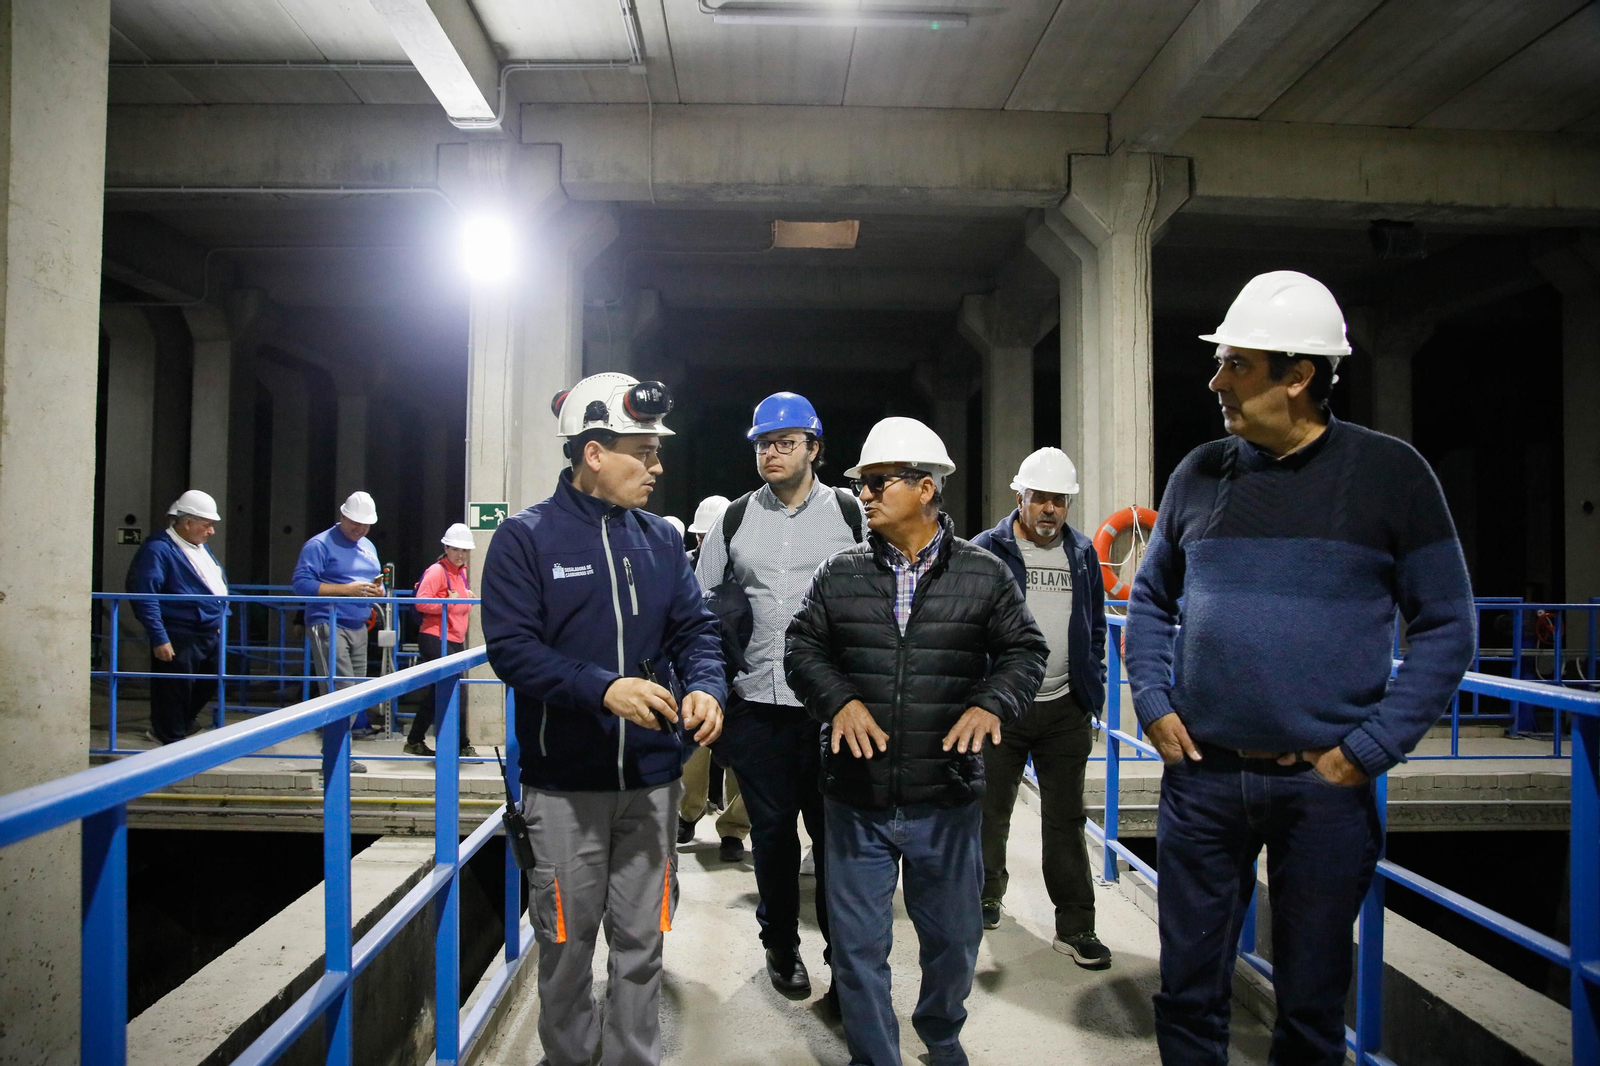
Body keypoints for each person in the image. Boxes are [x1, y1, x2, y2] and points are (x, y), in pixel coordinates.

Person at [1125, 271, 1476, 1066]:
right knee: (1186, 994)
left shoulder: (1393, 477)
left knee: (1312, 1008)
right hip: (1203, 777)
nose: (1217, 382)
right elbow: (1149, 600)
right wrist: (1151, 698)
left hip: (1322, 788)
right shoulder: (1200, 473)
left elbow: (1449, 627)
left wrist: (1371, 748)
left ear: (1299, 376)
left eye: (1237, 365)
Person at [785, 416, 1048, 1066]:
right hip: (856, 799)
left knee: (954, 943)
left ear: (925, 488)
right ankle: (876, 1057)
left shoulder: (983, 575)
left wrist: (994, 701)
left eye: (877, 483)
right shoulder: (839, 574)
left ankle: (941, 1036)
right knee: (857, 950)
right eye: (863, 485)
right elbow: (801, 646)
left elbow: (1024, 651)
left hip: (947, 797)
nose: (865, 495)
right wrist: (838, 700)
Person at [481, 372, 725, 1066]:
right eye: (642, 452)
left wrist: (707, 687)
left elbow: (695, 632)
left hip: (651, 784)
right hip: (563, 788)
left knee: (643, 944)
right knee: (564, 948)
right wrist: (602, 688)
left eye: (655, 452)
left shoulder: (659, 541)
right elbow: (513, 651)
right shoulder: (526, 541)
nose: (657, 466)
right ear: (593, 452)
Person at [693, 391, 865, 1000]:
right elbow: (700, 610)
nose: (771, 452)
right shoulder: (734, 520)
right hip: (756, 704)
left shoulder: (850, 514)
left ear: (814, 449)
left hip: (832, 708)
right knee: (771, 833)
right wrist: (709, 687)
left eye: (785, 442)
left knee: (835, 838)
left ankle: (845, 960)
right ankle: (781, 946)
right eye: (764, 443)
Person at [970, 447, 1110, 968]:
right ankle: (985, 896)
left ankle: (1076, 926)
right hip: (1002, 707)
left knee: (1066, 818)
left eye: (1060, 500)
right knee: (989, 812)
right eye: (1041, 498)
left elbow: (1093, 626)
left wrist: (1089, 685)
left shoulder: (1082, 553)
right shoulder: (987, 550)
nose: (1050, 509)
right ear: (1019, 498)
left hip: (1063, 708)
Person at [126, 490, 229, 744]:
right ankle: (171, 739)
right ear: (187, 523)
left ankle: (178, 728)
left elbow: (214, 582)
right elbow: (144, 594)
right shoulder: (158, 550)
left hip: (206, 631)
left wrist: (220, 618)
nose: (211, 532)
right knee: (174, 690)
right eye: (207, 525)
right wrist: (159, 636)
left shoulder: (198, 548)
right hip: (179, 632)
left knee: (205, 684)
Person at [292, 490, 384, 768]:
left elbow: (370, 581)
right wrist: (346, 590)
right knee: (341, 689)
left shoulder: (367, 546)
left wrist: (376, 590)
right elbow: (301, 585)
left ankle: (340, 753)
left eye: (366, 525)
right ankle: (334, 759)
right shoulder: (319, 545)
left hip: (358, 625)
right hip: (328, 623)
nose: (360, 529)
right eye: (355, 523)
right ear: (342, 516)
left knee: (356, 694)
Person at [406, 522, 477, 758]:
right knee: (453, 688)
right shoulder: (437, 571)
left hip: (453, 638)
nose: (460, 554)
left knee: (440, 690)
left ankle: (415, 740)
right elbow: (421, 602)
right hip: (435, 636)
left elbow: (455, 598)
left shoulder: (461, 572)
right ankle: (461, 744)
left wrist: (463, 596)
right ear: (446, 548)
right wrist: (449, 602)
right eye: (456, 549)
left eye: (464, 550)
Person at [685, 494, 730, 567]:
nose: (704, 544)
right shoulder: (684, 564)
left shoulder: (742, 567)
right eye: (701, 537)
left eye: (710, 539)